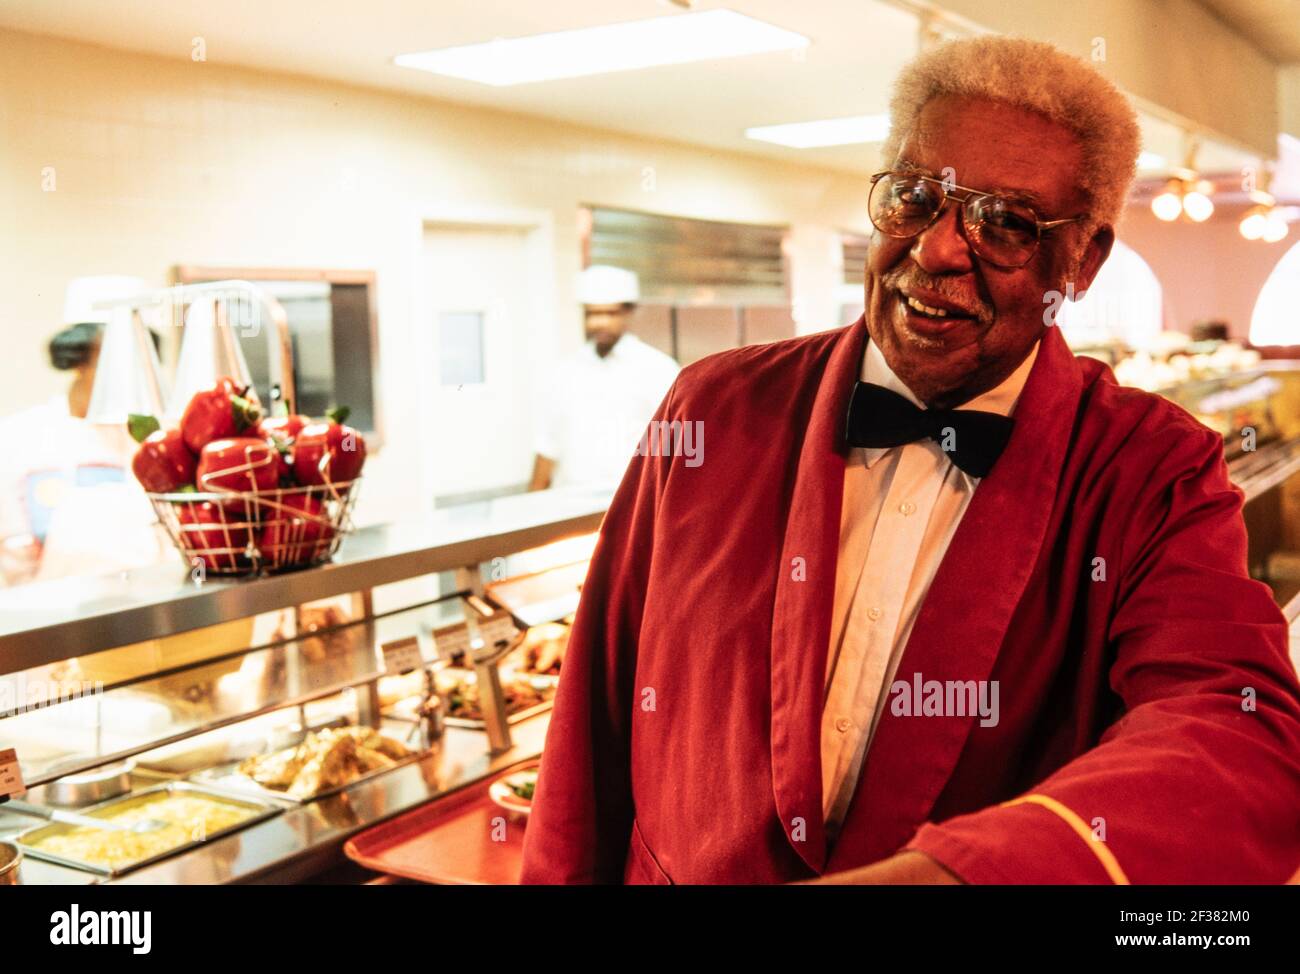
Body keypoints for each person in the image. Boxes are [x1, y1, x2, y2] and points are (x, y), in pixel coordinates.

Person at [520, 36, 1300, 884]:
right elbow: (592, 717)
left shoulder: (1153, 466)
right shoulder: (709, 407)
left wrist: (955, 873)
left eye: (1005, 223)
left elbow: (1233, 725)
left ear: (1082, 261)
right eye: (915, 197)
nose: (937, 250)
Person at [0, 275, 162, 585]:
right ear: (78, 357)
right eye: (115, 353)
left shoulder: (154, 441)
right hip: (44, 617)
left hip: (148, 613)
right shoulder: (17, 439)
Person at [528, 266, 679, 492]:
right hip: (567, 503)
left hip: (630, 504)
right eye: (592, 313)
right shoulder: (565, 372)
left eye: (609, 313)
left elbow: (683, 447)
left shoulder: (659, 370)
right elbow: (547, 445)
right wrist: (532, 503)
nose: (599, 323)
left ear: (629, 313)